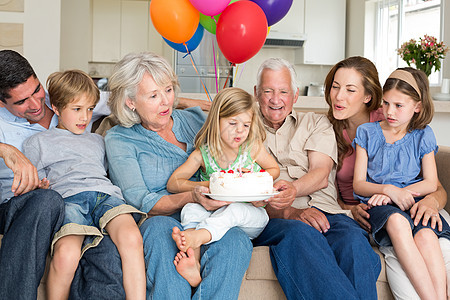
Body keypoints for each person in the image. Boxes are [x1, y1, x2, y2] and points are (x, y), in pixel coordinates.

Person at [104, 52, 253, 299]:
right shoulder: (120, 139)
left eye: (169, 90)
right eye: (153, 95)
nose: (165, 102)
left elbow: (239, 144)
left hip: (213, 215)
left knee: (236, 239)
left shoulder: (196, 119)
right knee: (162, 234)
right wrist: (191, 197)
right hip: (163, 218)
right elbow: (141, 201)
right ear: (131, 101)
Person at [249, 57, 381, 299]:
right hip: (277, 218)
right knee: (301, 235)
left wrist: (292, 188)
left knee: (353, 242)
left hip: (329, 212)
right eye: (268, 91)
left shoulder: (316, 123)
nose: (275, 99)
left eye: (283, 92)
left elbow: (320, 174)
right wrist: (290, 212)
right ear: (257, 93)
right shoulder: (242, 129)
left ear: (296, 95)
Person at [324, 56, 450, 299]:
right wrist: (353, 207)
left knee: (430, 238)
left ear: (368, 97)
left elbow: (434, 185)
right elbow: (340, 189)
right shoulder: (338, 130)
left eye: (350, 89)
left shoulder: (406, 126)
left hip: (413, 204)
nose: (339, 96)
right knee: (397, 229)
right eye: (335, 87)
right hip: (376, 209)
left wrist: (429, 201)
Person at [22, 70, 146, 300]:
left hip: (105, 196)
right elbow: (33, 185)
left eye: (90, 109)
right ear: (57, 108)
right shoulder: (37, 142)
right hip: (70, 200)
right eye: (76, 109)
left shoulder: (98, 140)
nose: (85, 117)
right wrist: (41, 185)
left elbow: (107, 173)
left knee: (132, 238)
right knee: (66, 255)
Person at [167, 87, 279, 287]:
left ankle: (199, 236)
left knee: (234, 209)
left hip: (250, 215)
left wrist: (255, 177)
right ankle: (194, 261)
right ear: (216, 121)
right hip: (214, 212)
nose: (240, 131)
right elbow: (174, 182)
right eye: (233, 123)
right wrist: (212, 184)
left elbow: (274, 169)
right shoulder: (203, 154)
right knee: (190, 208)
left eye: (246, 125)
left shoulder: (251, 149)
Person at [0, 50, 65, 300]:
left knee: (53, 201)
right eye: (21, 102)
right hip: (10, 206)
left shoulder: (63, 98)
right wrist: (5, 149)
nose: (36, 105)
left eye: (36, 90)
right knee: (46, 200)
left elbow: (128, 98)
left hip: (63, 203)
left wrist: (193, 103)